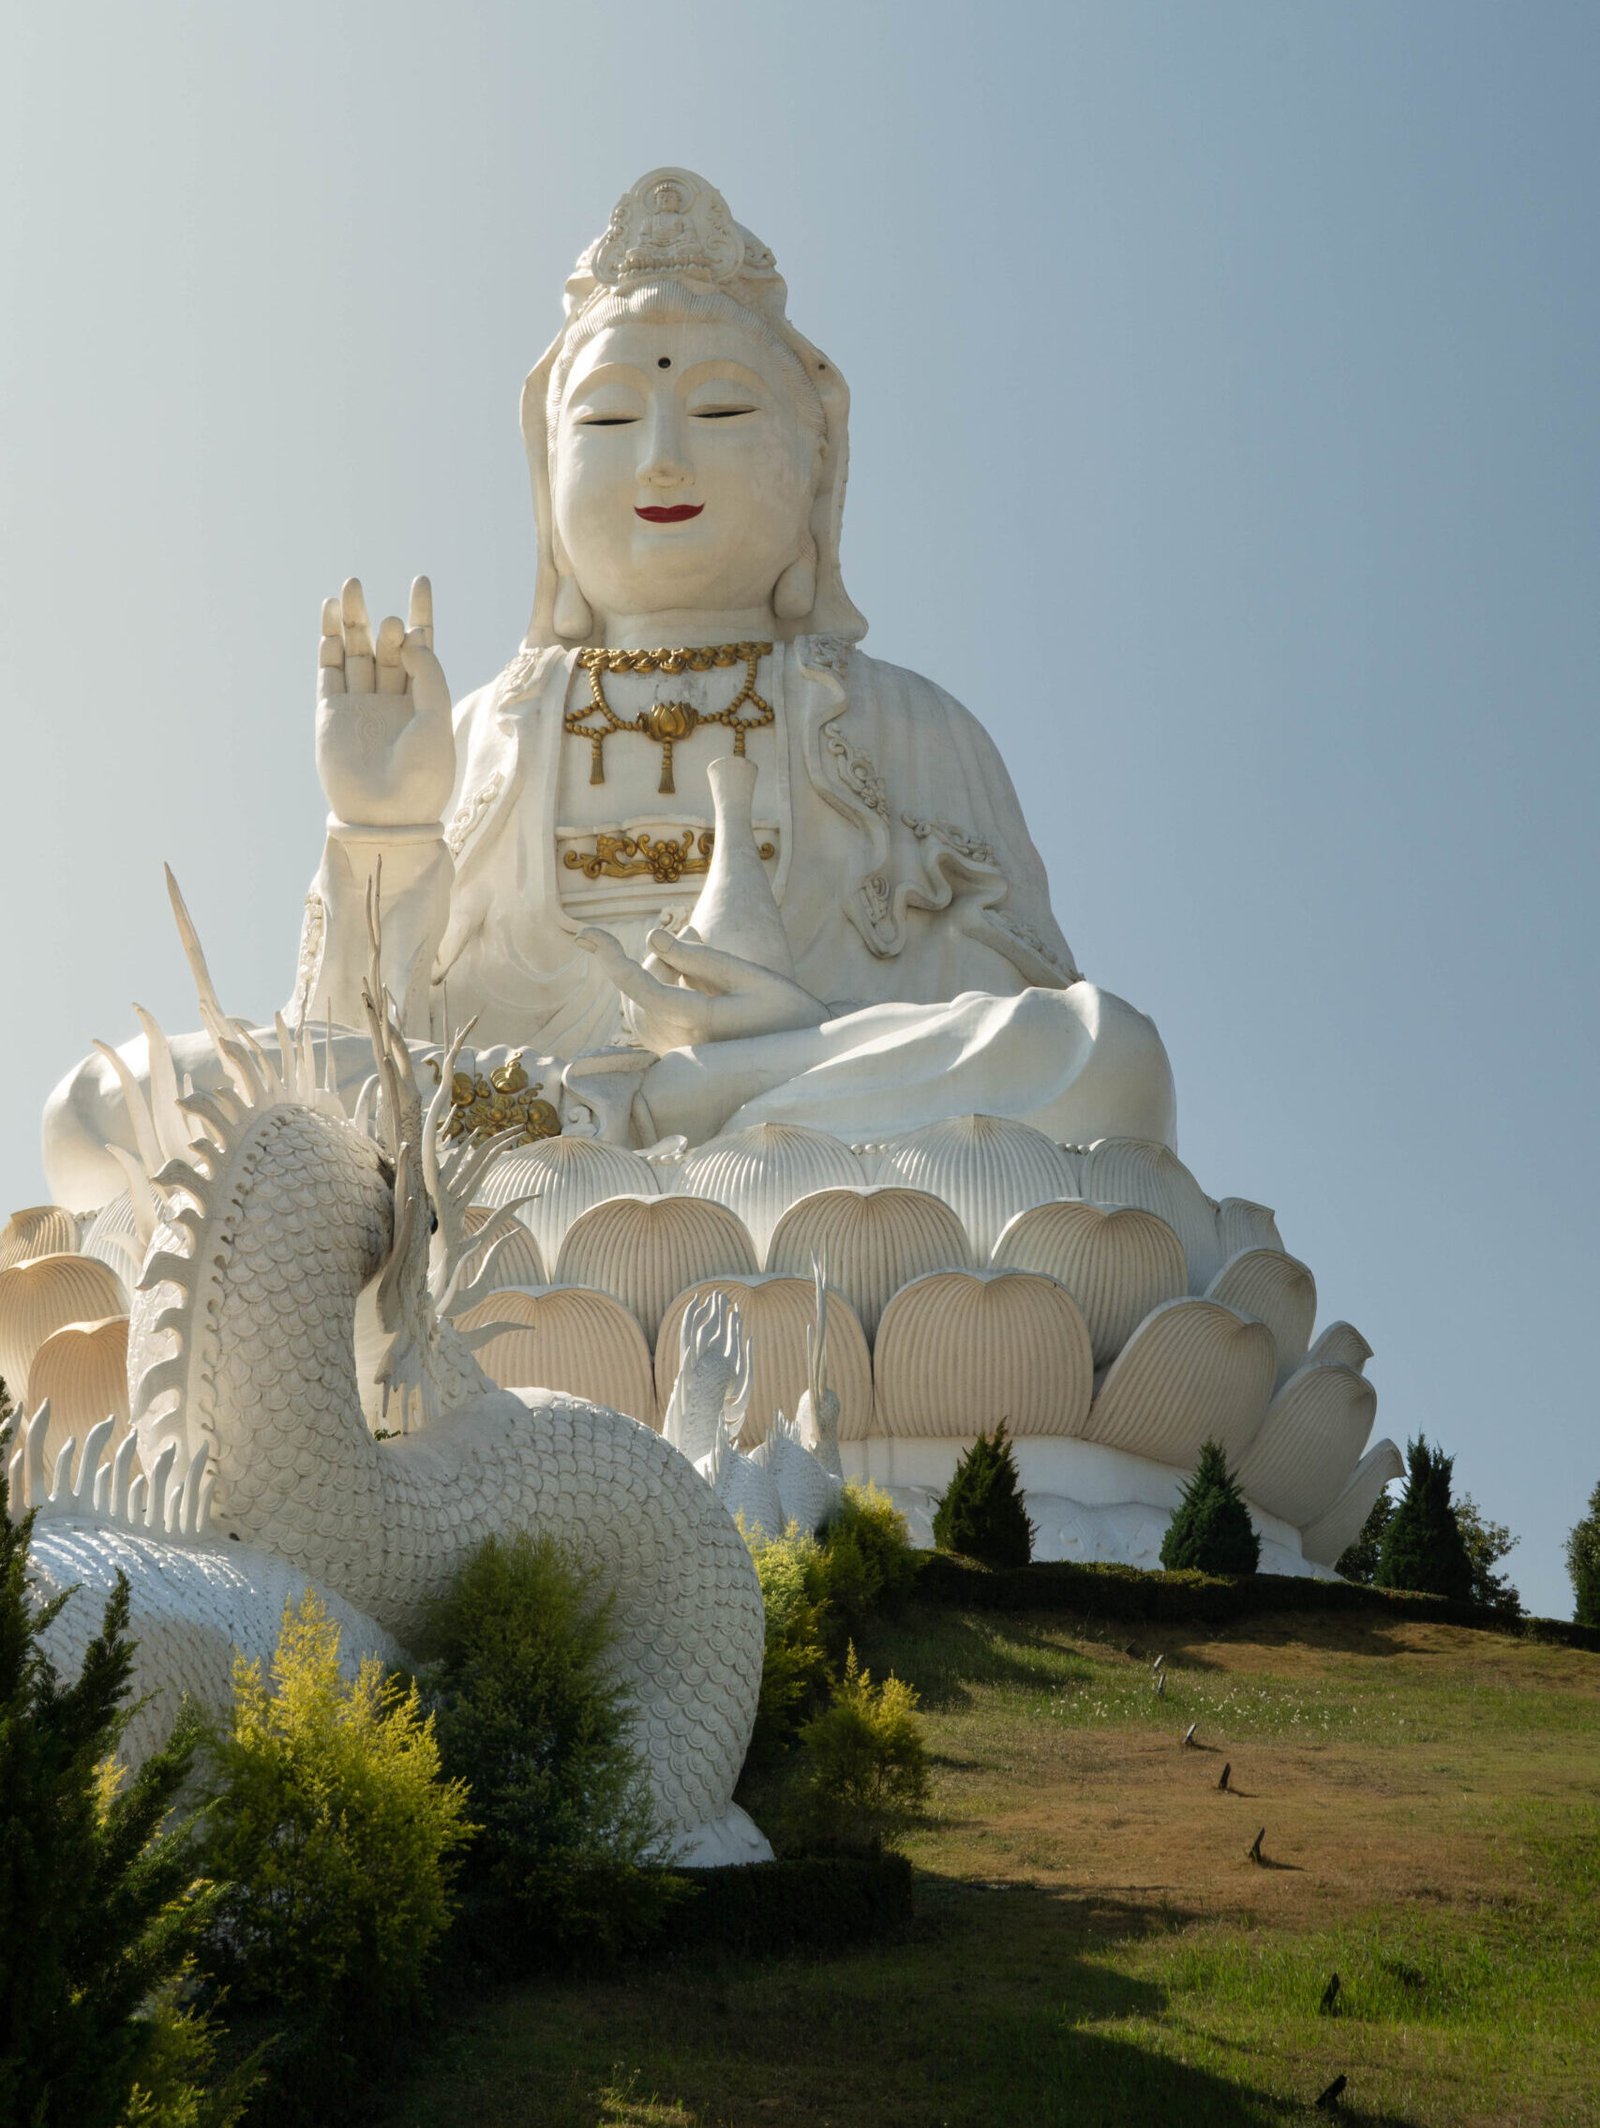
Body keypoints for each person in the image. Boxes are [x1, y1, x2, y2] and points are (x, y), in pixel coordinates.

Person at [43, 168, 1174, 1207]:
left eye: (723, 413)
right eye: (610, 419)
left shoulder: (904, 721)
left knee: (1101, 1057)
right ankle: (625, 1126)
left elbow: (995, 991)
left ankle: (673, 1116)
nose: (663, 461)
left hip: (797, 1126)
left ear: (816, 468)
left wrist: (785, 1032)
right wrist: (379, 828)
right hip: (506, 1122)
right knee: (103, 1109)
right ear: (547, 476)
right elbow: (341, 1047)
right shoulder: (489, 723)